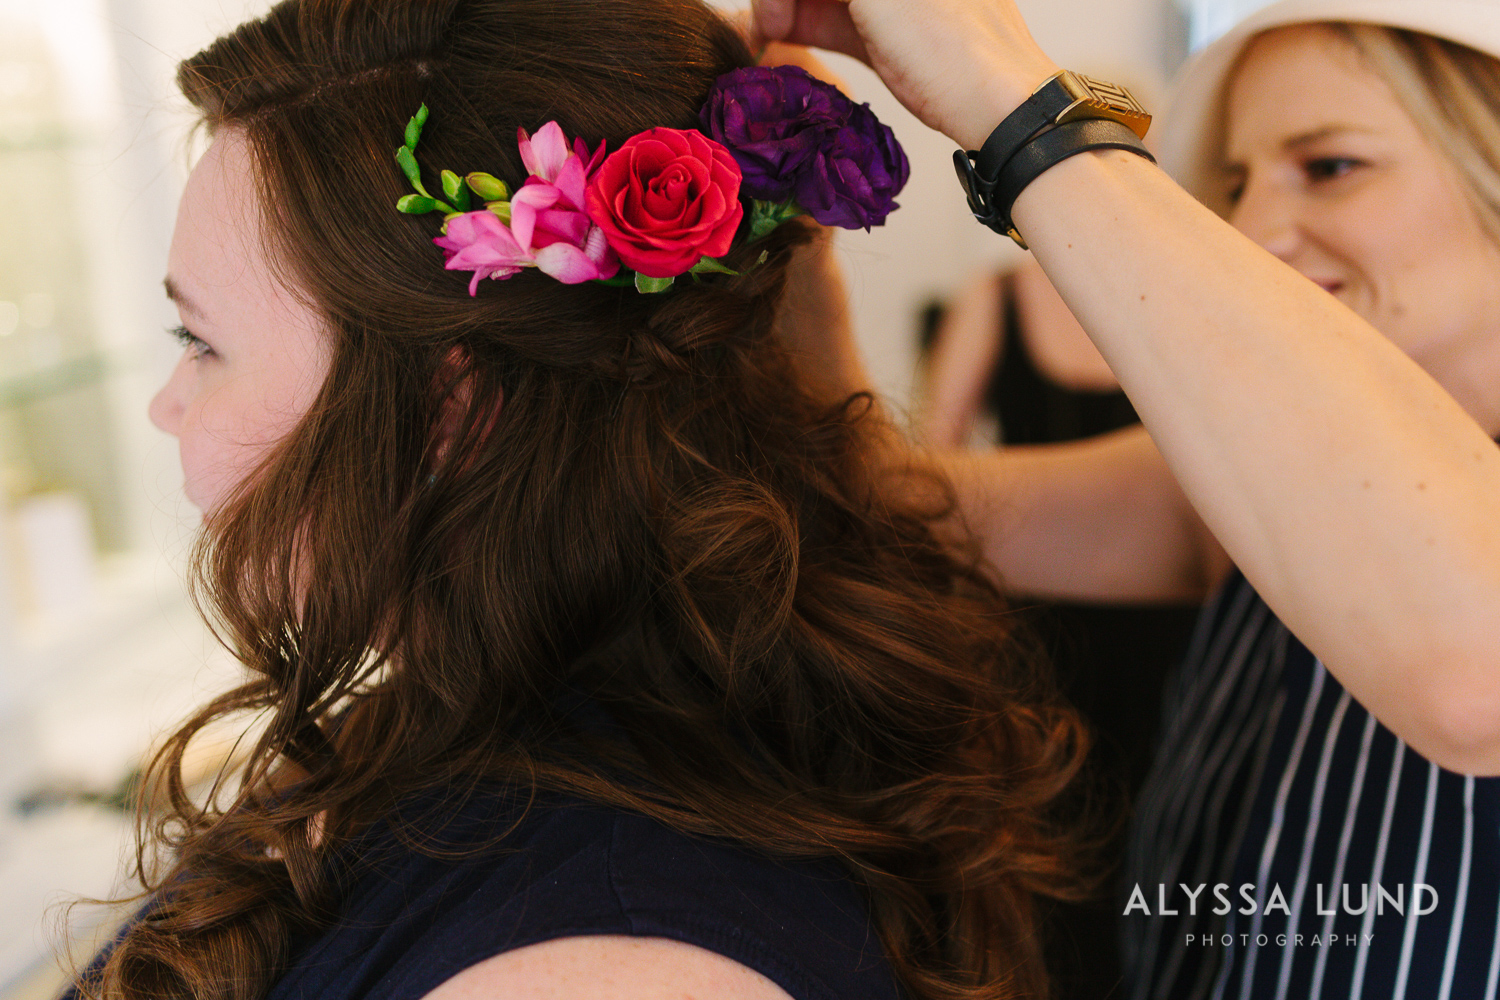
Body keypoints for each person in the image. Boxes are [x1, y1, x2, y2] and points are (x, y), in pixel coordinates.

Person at [73, 1, 1094, 998]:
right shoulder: (459, 708)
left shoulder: (612, 956)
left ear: (451, 412)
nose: (168, 407)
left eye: (201, 343)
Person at [751, 0, 1500, 997]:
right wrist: (790, 232)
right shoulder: (1225, 495)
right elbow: (868, 501)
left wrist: (1015, 101)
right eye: (1233, 183)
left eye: (1329, 166)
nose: (1256, 232)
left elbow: (1470, 669)